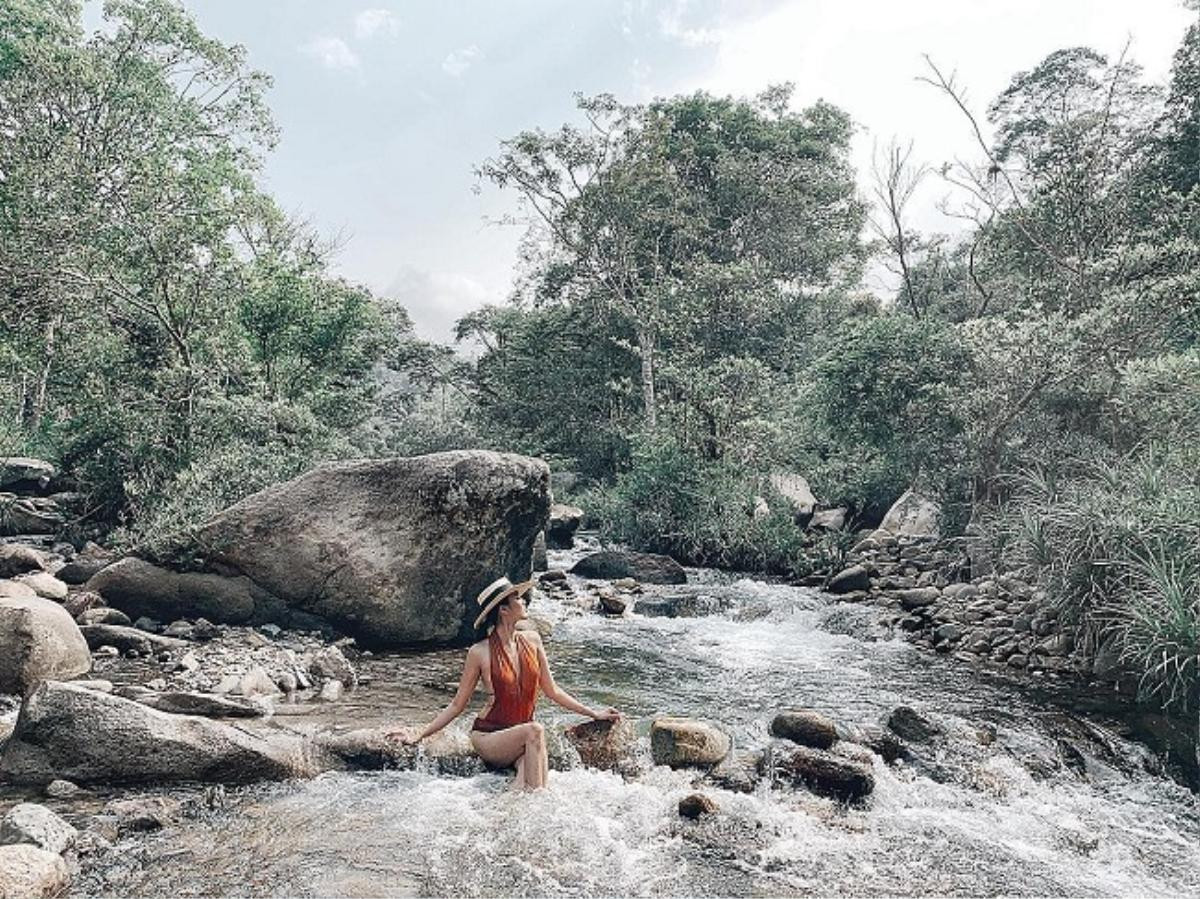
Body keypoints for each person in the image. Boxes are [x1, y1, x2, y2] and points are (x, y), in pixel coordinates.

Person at [387, 576, 621, 790]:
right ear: (503, 610)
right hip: (489, 738)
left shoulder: (533, 640)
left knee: (528, 786)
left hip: (521, 737)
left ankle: (514, 818)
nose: (524, 601)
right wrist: (419, 734)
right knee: (536, 730)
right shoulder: (479, 652)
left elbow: (552, 690)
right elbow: (457, 705)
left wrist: (594, 713)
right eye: (517, 598)